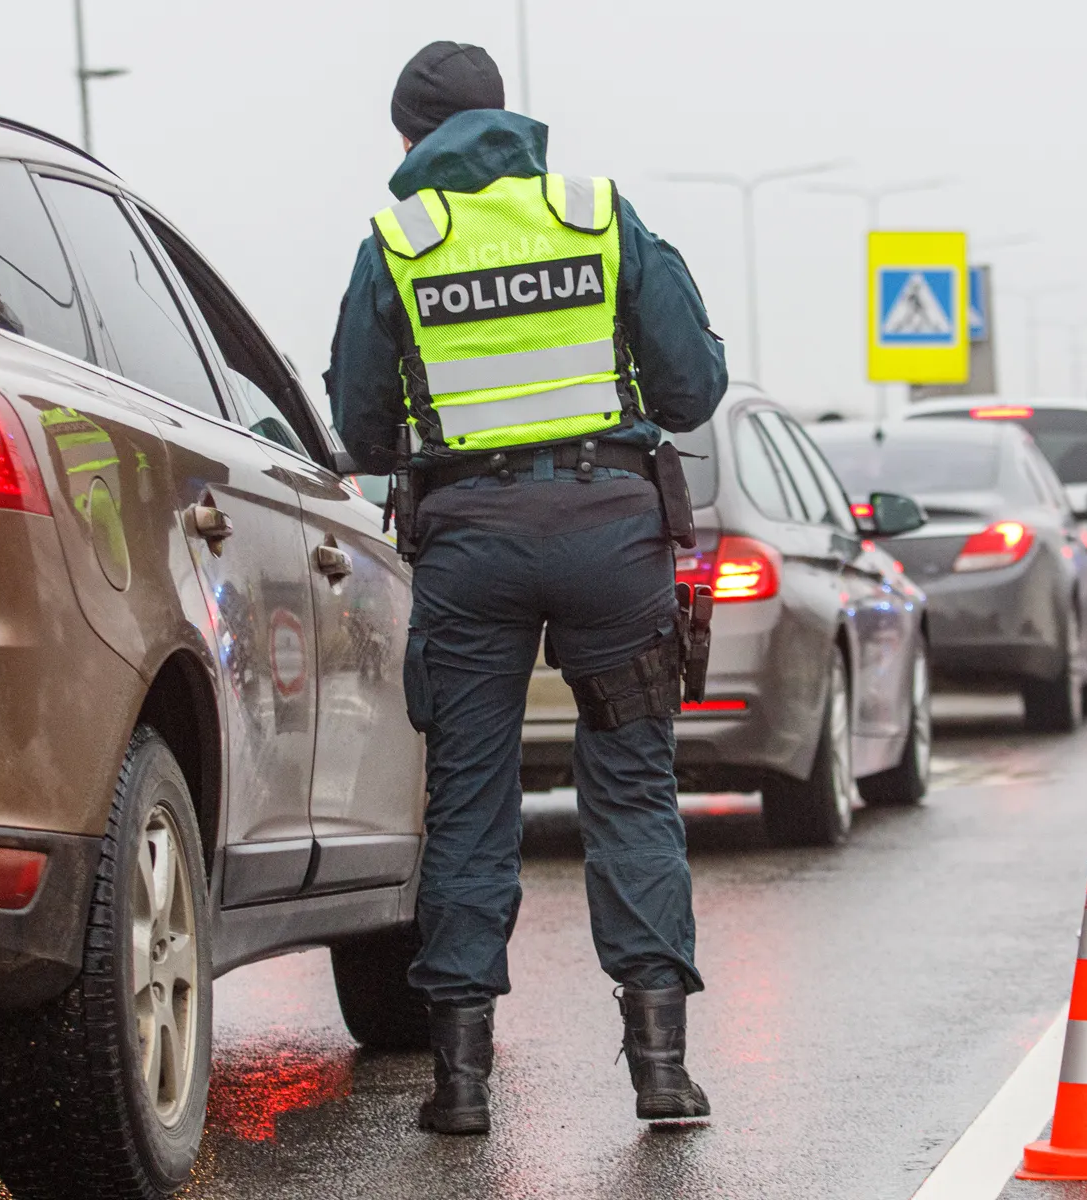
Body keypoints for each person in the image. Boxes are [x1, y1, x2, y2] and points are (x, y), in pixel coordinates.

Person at [326, 40, 729, 1134]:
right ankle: (660, 1070)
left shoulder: (397, 243)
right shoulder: (599, 215)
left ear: (410, 141)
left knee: (469, 799)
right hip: (611, 533)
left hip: (471, 545)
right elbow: (691, 390)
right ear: (510, 121)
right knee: (634, 788)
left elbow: (360, 432)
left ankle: (460, 1088)